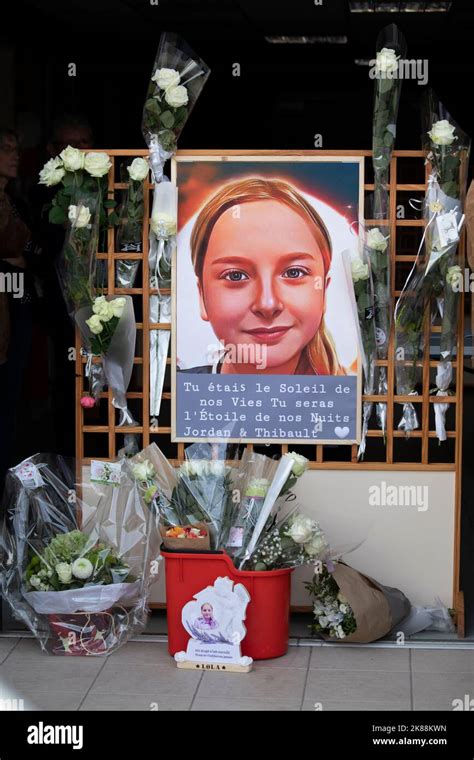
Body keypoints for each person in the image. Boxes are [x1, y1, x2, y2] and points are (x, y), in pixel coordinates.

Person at [181, 177, 347, 376]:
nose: (267, 304)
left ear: (323, 292)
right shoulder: (179, 396)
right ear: (202, 296)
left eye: (294, 273)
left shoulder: (355, 401)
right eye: (235, 276)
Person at [0, 127, 37, 498]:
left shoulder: (13, 198)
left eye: (16, 148)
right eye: (6, 149)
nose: (15, 155)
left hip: (18, 296)